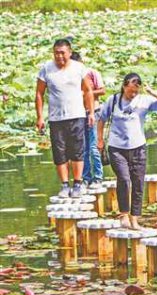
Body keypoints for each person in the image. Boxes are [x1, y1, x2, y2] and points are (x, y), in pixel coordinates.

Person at [97, 73, 157, 229]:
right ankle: (123, 214)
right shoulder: (114, 100)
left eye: (135, 91)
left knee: (138, 183)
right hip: (117, 148)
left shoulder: (144, 100)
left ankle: (134, 218)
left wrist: (151, 91)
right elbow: (102, 119)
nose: (133, 94)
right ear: (124, 86)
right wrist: (100, 139)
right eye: (130, 91)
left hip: (138, 147)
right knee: (124, 179)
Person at [35, 38, 95, 198]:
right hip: (56, 118)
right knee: (59, 152)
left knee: (77, 151)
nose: (59, 56)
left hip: (76, 115)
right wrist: (40, 117)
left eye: (62, 53)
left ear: (69, 52)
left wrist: (91, 113)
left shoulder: (79, 68)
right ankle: (64, 185)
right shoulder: (46, 69)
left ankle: (77, 183)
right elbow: (39, 93)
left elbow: (88, 90)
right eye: (56, 53)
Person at [70, 52, 106, 189]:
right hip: (78, 114)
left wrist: (86, 92)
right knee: (82, 148)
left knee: (93, 147)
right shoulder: (70, 76)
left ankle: (98, 177)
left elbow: (102, 91)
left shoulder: (91, 73)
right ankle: (86, 178)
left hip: (94, 112)